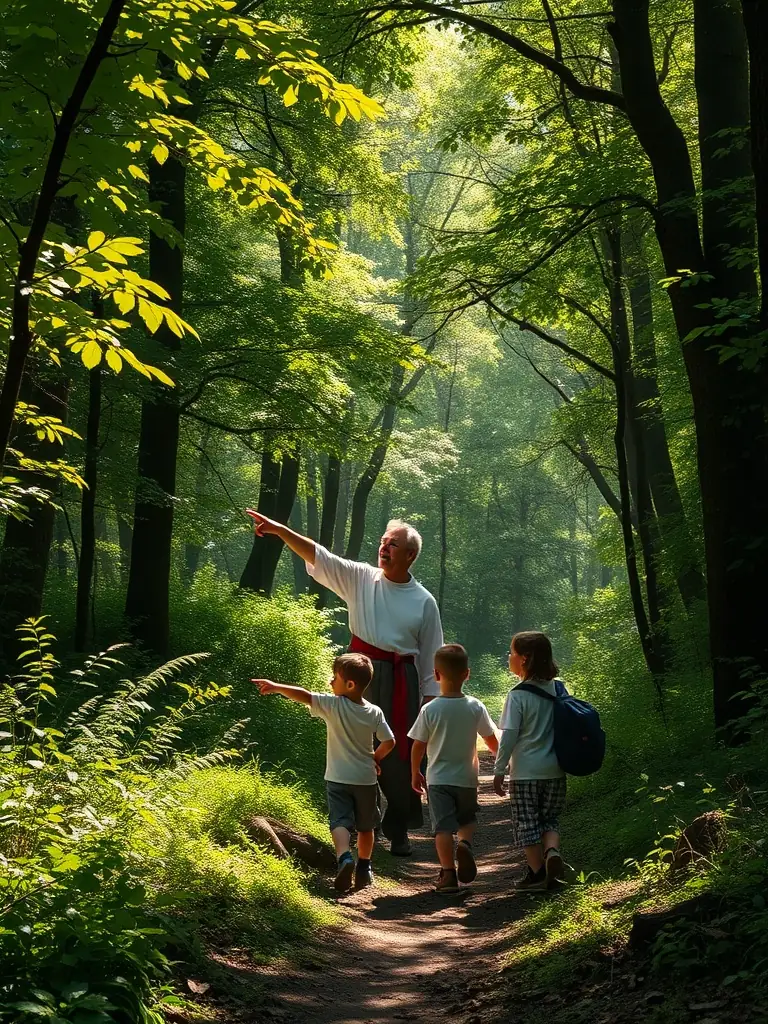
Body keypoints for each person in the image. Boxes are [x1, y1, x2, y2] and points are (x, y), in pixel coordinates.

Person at [245, 508, 444, 857]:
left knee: (397, 756)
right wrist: (280, 530)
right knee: (354, 748)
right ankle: (363, 823)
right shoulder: (361, 578)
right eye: (383, 542)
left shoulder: (424, 601)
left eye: (393, 544)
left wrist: (430, 703)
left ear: (410, 555)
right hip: (360, 675)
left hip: (402, 682)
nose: (384, 548)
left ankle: (398, 830)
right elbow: (320, 555)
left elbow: (430, 659)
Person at [252, 653, 395, 893]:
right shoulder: (374, 712)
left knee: (339, 821)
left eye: (334, 677)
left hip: (337, 778)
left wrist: (277, 687)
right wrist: (375, 758)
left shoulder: (333, 705)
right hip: (365, 779)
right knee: (366, 826)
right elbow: (389, 741)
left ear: (349, 684)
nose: (330, 681)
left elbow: (304, 695)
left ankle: (344, 858)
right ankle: (365, 867)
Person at [408, 643, 499, 894]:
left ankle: (448, 874)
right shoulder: (474, 706)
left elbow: (417, 745)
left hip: (438, 780)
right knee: (467, 819)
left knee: (442, 827)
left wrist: (415, 771)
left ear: (436, 675)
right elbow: (492, 740)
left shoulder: (430, 709)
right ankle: (466, 844)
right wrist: (503, 763)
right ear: (466, 674)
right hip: (467, 779)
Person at [492, 631, 566, 892]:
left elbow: (509, 736)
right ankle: (553, 851)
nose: (508, 657)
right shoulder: (559, 688)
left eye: (511, 653)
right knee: (550, 820)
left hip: (525, 773)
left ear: (525, 659)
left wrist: (499, 770)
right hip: (555, 770)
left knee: (527, 824)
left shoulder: (517, 696)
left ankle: (536, 874)